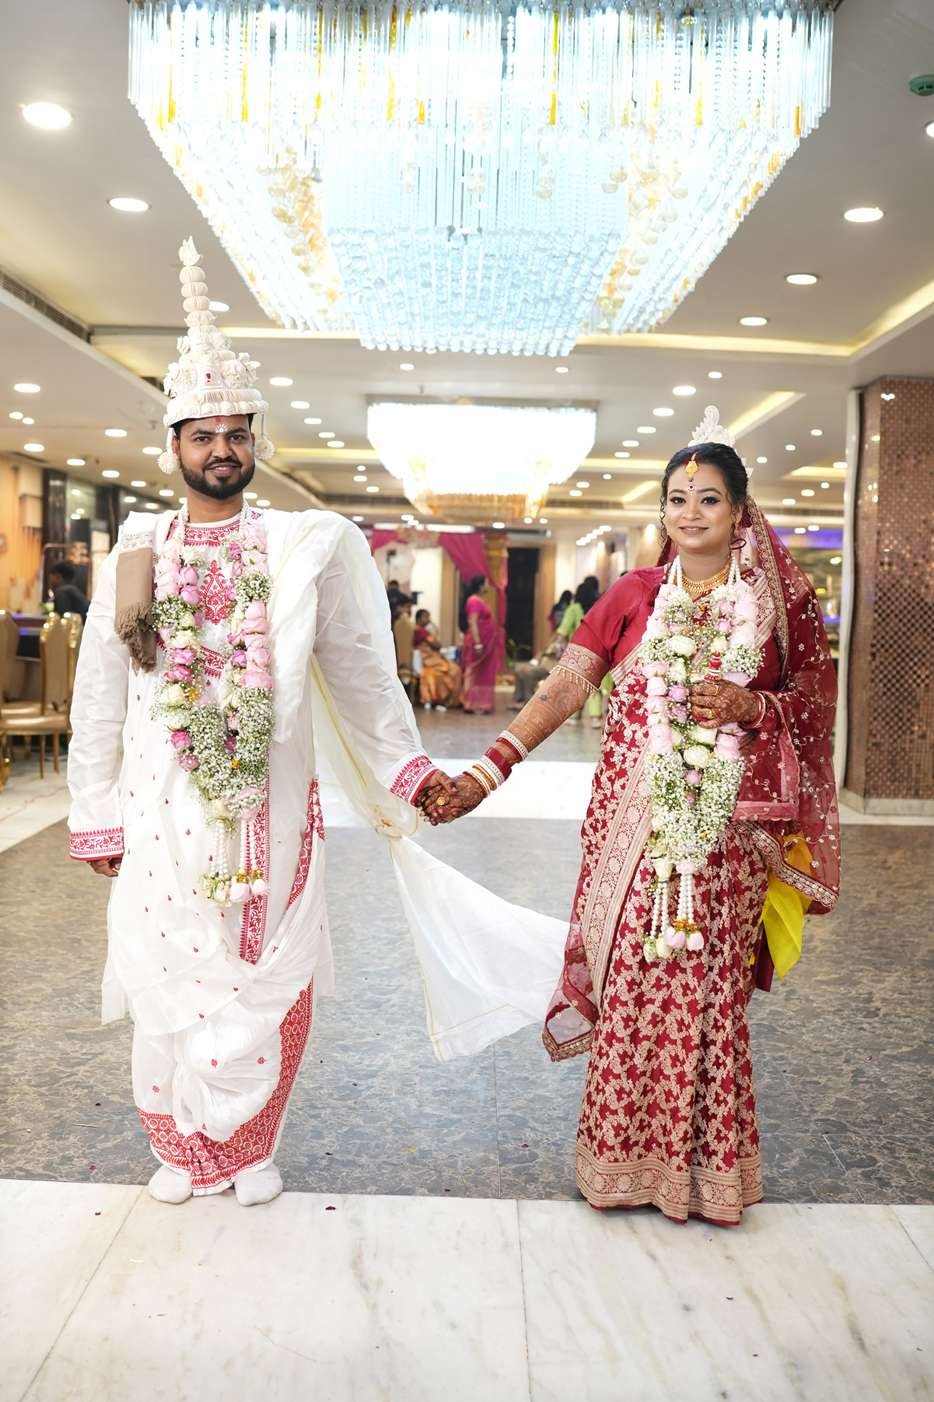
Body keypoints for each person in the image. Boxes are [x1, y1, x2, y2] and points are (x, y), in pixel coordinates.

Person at [66, 238, 454, 1208]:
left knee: (267, 961)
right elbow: (100, 690)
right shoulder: (138, 549)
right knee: (163, 962)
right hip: (159, 801)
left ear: (256, 443)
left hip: (269, 800)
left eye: (236, 433)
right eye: (203, 434)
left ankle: (247, 1146)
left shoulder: (301, 545)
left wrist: (405, 769)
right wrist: (93, 810)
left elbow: (359, 671)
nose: (222, 450)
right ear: (174, 447)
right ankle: (178, 1143)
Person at [423, 406, 840, 1227]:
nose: (691, 512)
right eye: (677, 498)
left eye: (709, 498)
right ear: (662, 511)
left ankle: (703, 1177)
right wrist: (486, 770)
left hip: (727, 839)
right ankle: (620, 1166)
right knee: (637, 983)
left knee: (707, 996)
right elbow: (563, 691)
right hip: (632, 834)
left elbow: (813, 707)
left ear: (740, 511)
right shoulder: (633, 596)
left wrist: (753, 706)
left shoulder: (772, 608)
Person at [460, 573, 498, 714]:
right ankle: (471, 703)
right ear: (480, 586)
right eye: (486, 583)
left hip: (487, 643)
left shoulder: (480, 600)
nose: (488, 586)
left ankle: (483, 704)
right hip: (478, 642)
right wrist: (477, 643)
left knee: (485, 673)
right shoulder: (474, 601)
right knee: (474, 672)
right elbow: (473, 622)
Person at [414, 607, 462, 710]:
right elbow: (437, 645)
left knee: (452, 669)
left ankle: (448, 700)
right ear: (419, 618)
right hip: (428, 659)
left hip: (429, 658)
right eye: (426, 617)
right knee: (454, 670)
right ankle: (449, 700)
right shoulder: (422, 632)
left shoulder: (419, 630)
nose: (429, 619)